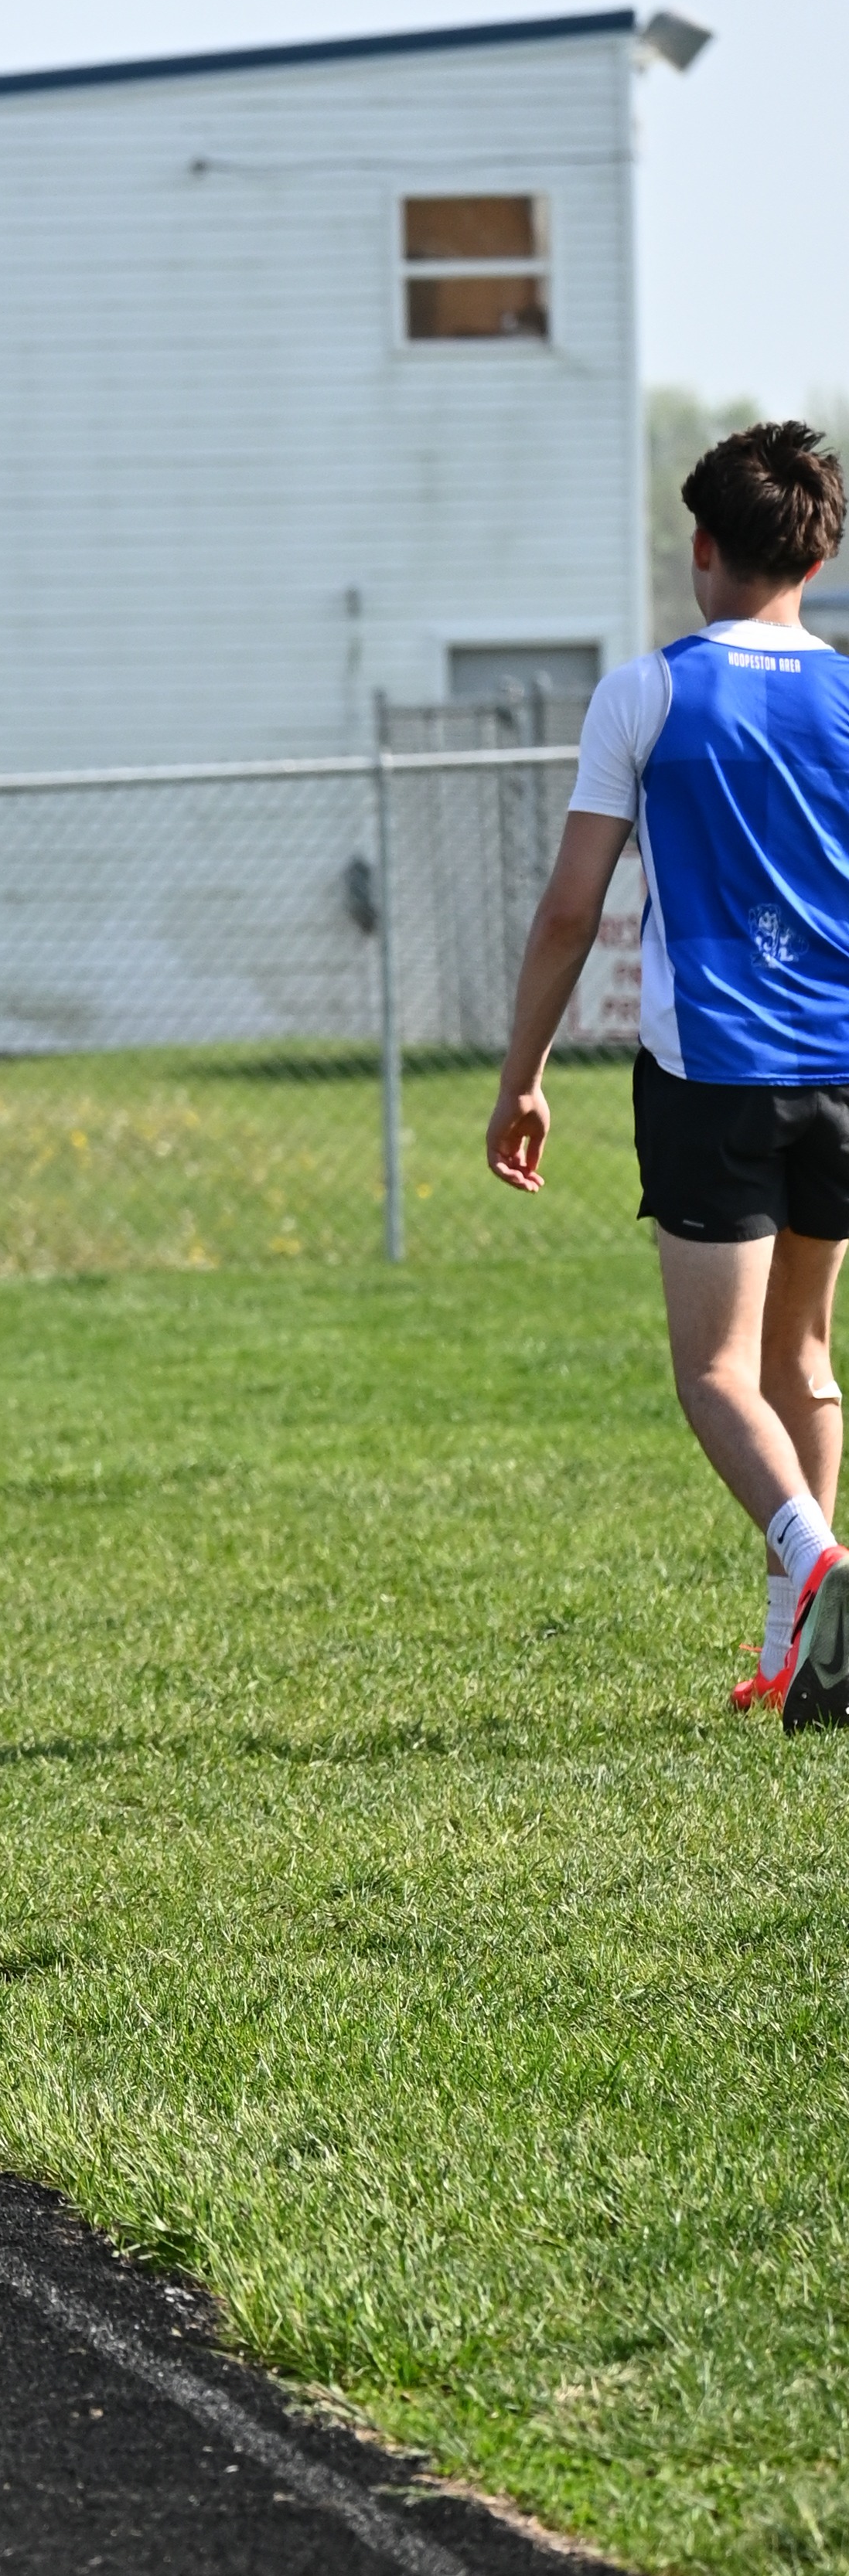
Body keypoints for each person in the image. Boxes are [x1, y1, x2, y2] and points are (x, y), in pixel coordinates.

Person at [489, 420, 849, 1723]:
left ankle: (821, 1568)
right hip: (843, 1075)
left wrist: (522, 1073)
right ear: (819, 550)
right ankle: (793, 1660)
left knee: (715, 1374)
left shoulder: (646, 691)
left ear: (702, 549)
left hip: (716, 1079)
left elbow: (569, 913)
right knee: (803, 1355)